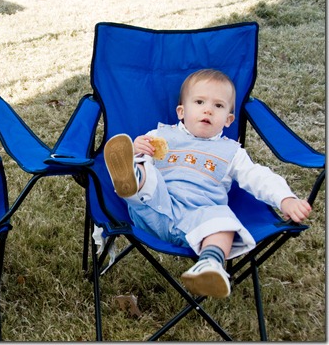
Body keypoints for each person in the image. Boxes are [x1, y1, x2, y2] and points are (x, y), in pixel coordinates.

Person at [103, 69, 311, 298]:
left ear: (229, 120)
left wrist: (285, 198)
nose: (208, 109)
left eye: (219, 106)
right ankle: (131, 180)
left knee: (224, 220)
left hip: (200, 219)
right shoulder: (160, 136)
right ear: (182, 111)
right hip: (156, 207)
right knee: (146, 169)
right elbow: (145, 157)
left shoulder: (231, 151)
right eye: (199, 102)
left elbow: (258, 176)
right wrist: (138, 150)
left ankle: (210, 263)